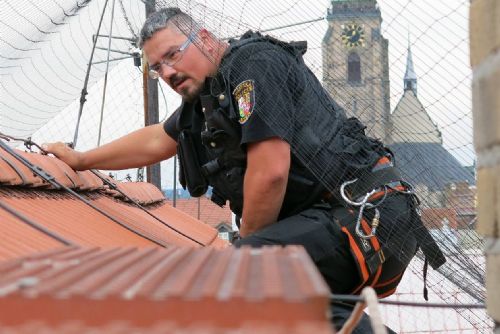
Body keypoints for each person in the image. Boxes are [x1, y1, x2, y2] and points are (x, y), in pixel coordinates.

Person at [43, 7, 445, 332]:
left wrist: (248, 247)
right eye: (156, 67)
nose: (166, 72)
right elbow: (156, 140)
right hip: (334, 224)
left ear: (201, 38)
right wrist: (81, 160)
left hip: (367, 216)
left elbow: (270, 172)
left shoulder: (254, 65)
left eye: (172, 55)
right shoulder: (208, 98)